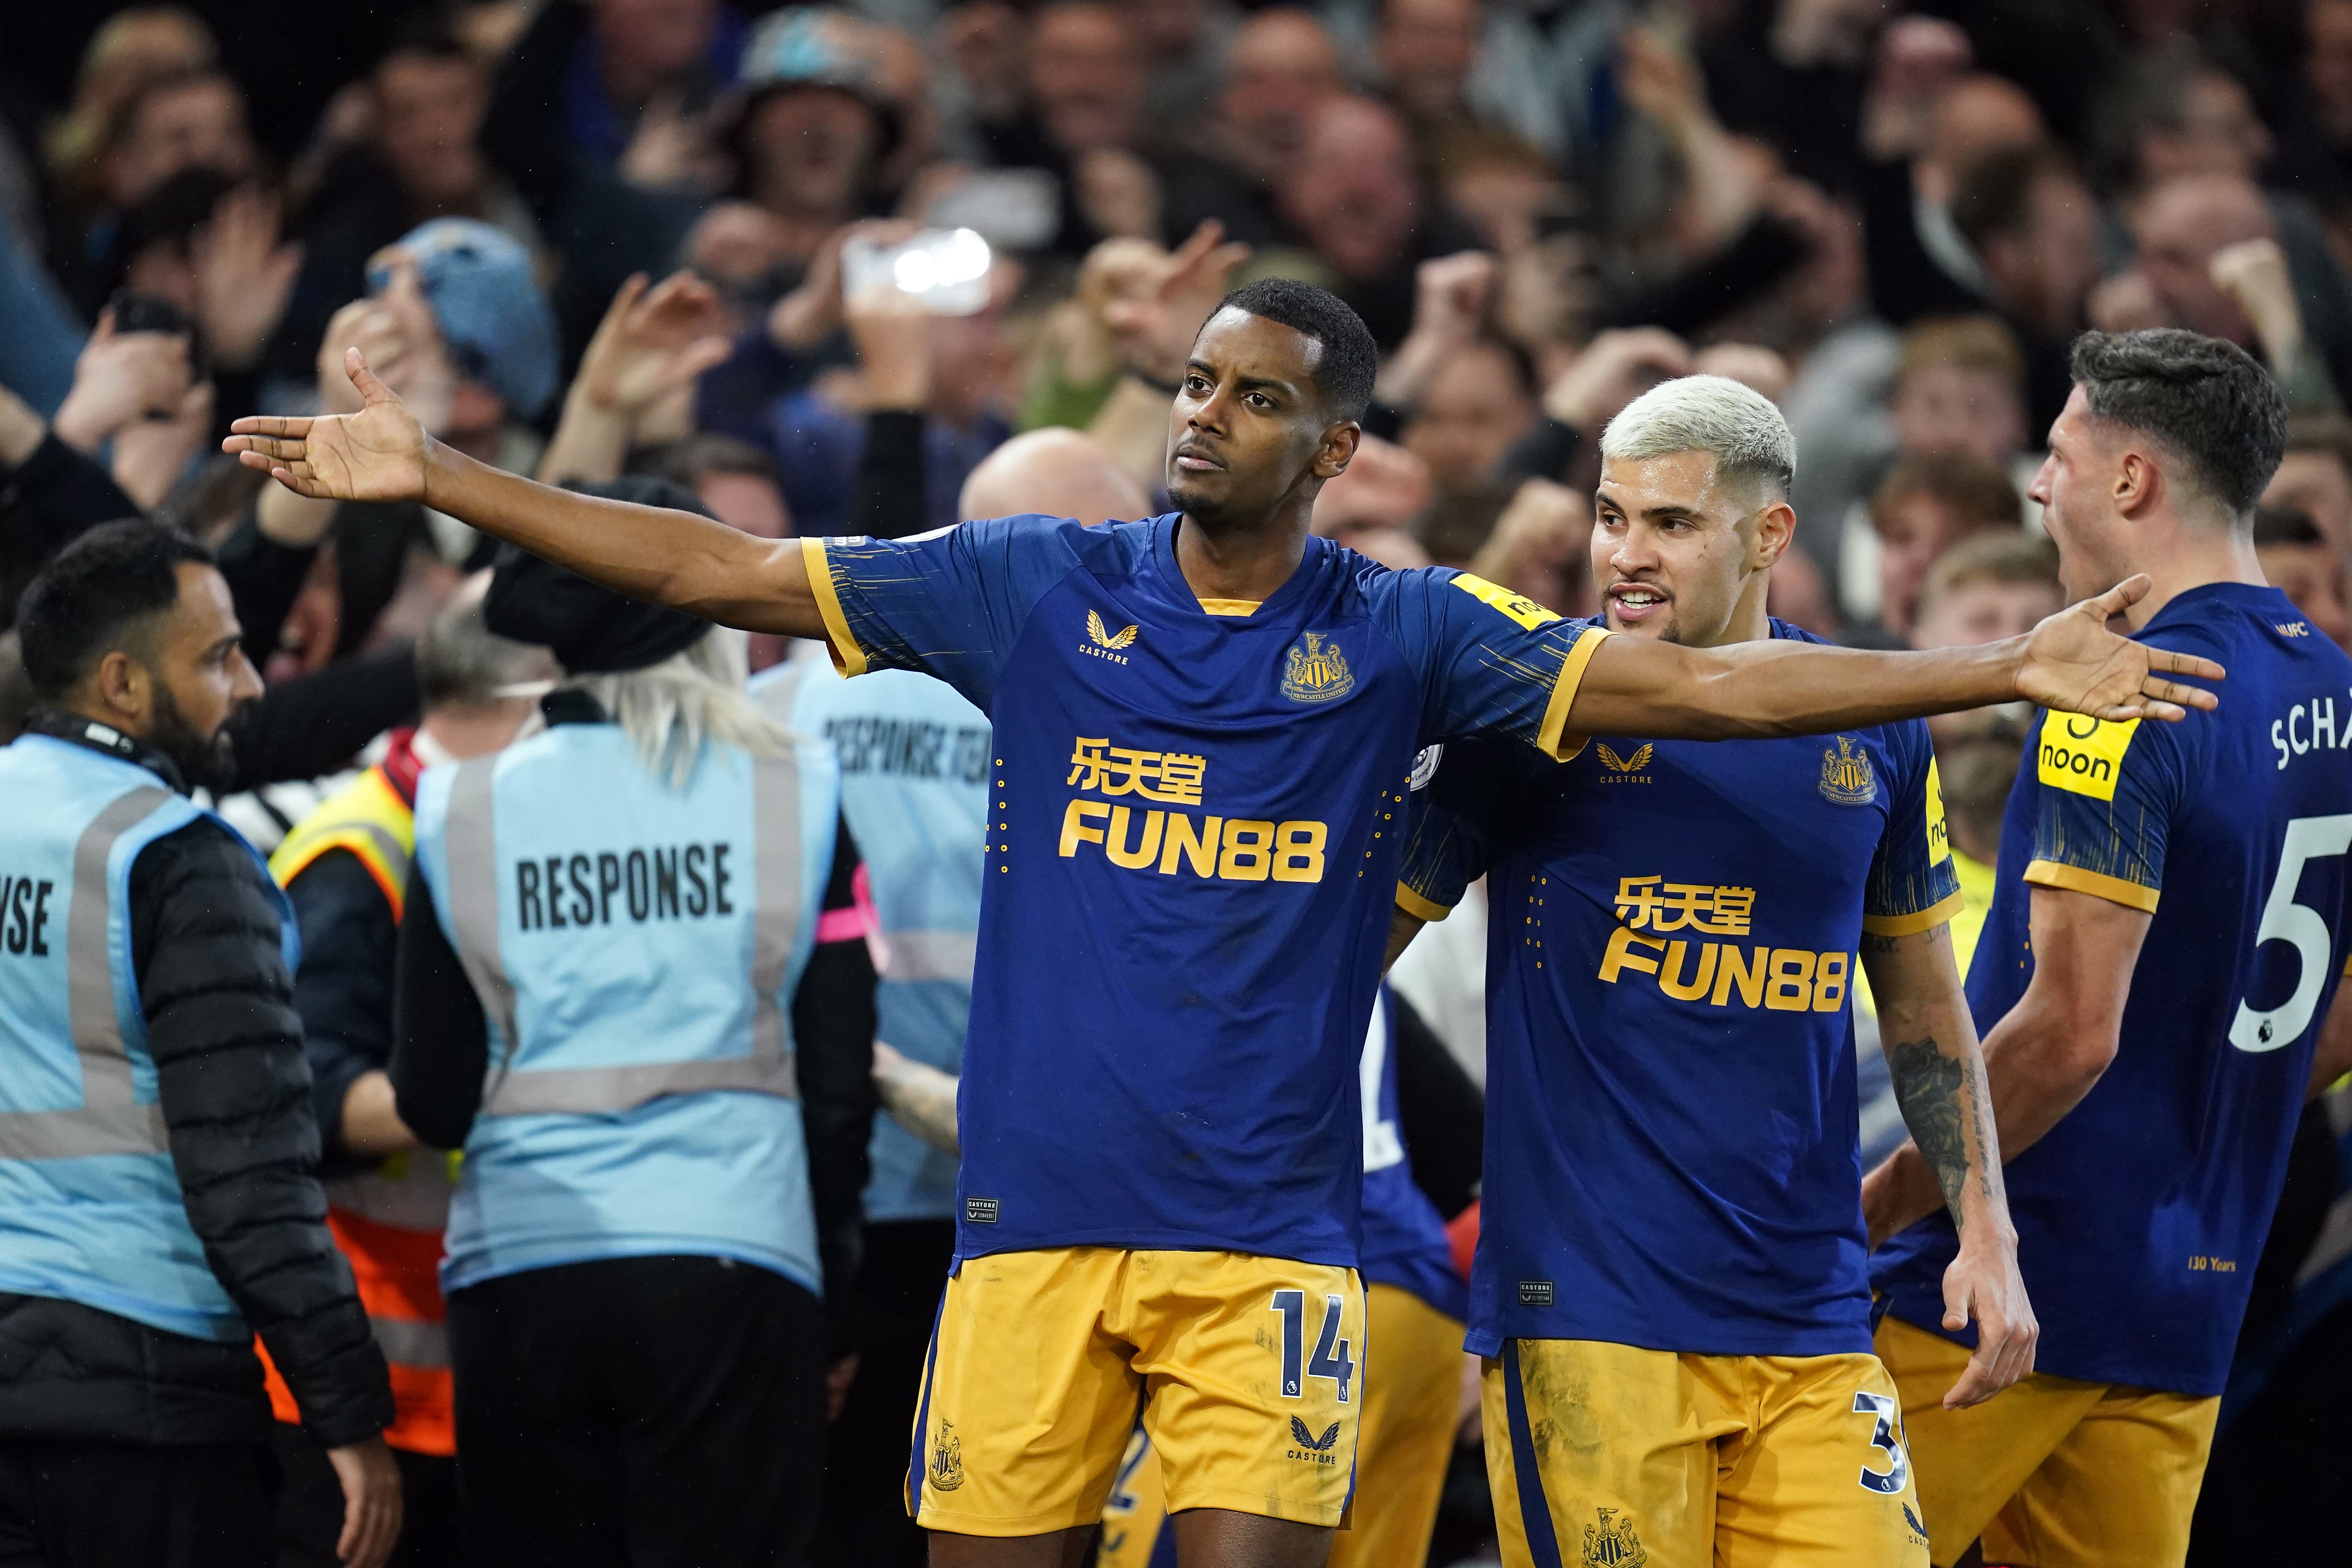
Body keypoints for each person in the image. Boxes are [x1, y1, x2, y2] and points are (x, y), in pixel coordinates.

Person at [227, 276, 2216, 1568]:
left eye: (1253, 396)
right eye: (1190, 381)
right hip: (1024, 1239)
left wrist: (1990, 676)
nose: (1203, 414)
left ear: (1332, 451)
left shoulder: (1410, 633)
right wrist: (452, 482)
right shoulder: (1036, 589)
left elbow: (1700, 692)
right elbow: (727, 561)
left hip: (1266, 1250)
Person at [1388, 376, 2029, 1568]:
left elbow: (1927, 1006)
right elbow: (1348, 951)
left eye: (1671, 525)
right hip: (1589, 1316)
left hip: (1811, 1316)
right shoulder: (1533, 720)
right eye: (1609, 516)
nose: (1624, 556)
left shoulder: (1872, 725)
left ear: (1769, 535)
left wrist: (1983, 1232)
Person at [1866, 330, 2352, 1568]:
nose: (2039, 488)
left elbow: (2068, 1034)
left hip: (2002, 1295)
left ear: (2130, 478)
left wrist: (1889, 1195)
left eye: (2056, 455)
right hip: (2190, 1296)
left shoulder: (2122, 694)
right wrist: (2218, 1102)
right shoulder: (2338, 691)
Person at [384, 479, 878, 1568]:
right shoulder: (796, 789)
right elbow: (840, 1091)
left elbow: (431, 1097)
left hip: (521, 1274)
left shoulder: (459, 807)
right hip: (735, 1263)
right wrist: (839, 1306)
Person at [755, 423, 1144, 1568]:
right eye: (1109, 537)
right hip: (1001, 1198)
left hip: (827, 1190)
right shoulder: (1105, 720)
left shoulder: (779, 706)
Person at [0, 520, 400, 1568]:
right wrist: (347, 1411)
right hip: (145, 1399)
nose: (253, 684)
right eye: (219, 656)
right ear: (124, 684)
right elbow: (251, 1178)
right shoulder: (181, 860)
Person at [258, 578, 554, 1568]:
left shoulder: (480, 831)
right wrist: (504, 1085)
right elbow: (308, 1098)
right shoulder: (362, 854)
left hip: (457, 1368)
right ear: (534, 695)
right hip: (360, 1380)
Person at [1096, 984, 1478, 1568]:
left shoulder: (1190, 951)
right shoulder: (1362, 947)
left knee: (1151, 1545)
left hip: (1282, 1283)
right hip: (1413, 1299)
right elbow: (1483, 1151)